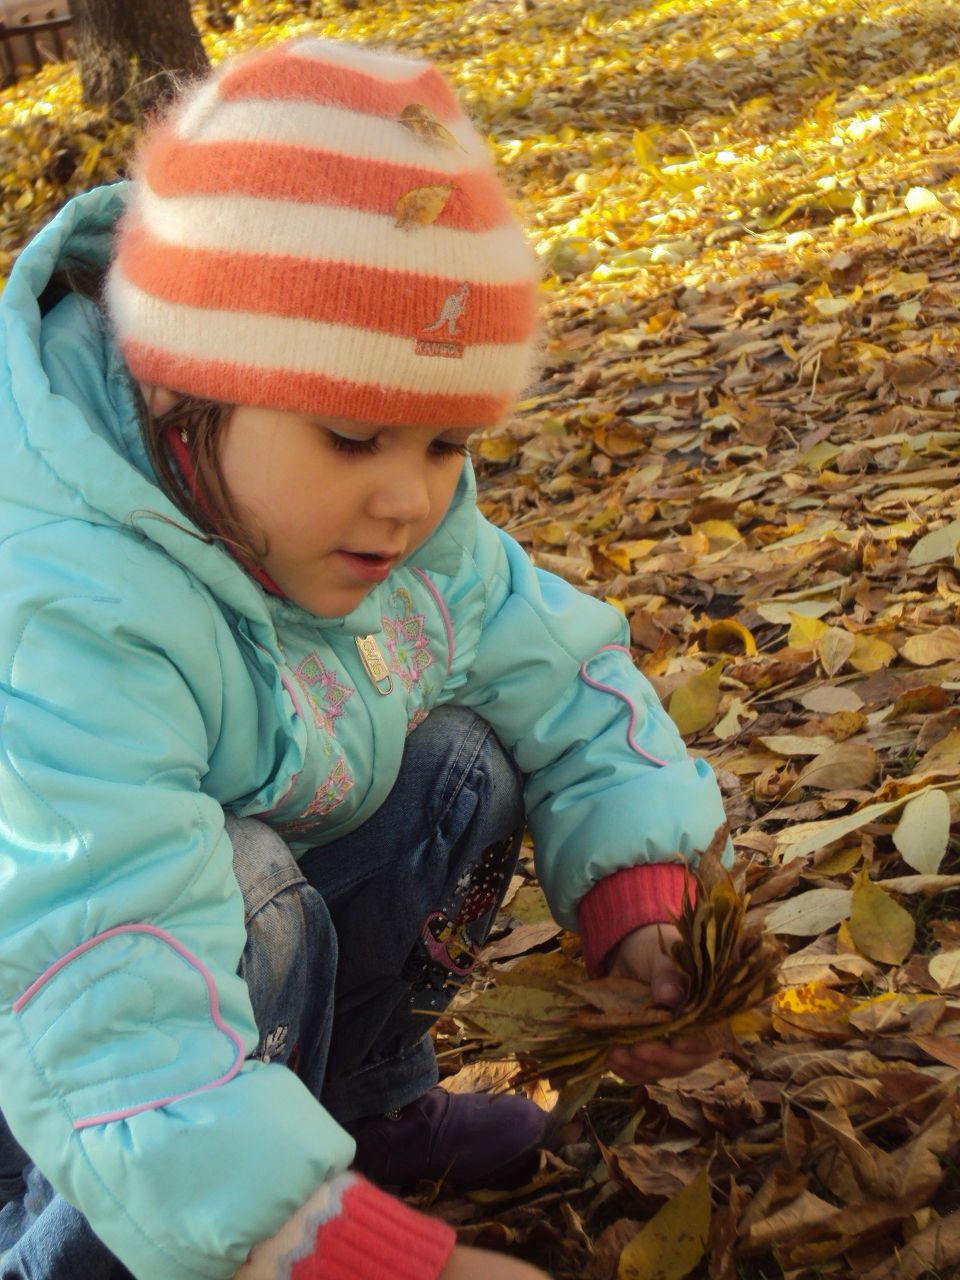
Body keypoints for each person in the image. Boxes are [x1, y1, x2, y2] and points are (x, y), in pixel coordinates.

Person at [0, 37, 729, 1280]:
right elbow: (104, 984)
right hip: (70, 1042)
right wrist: (331, 1255)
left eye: (447, 441)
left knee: (461, 762)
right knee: (247, 884)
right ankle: (112, 1250)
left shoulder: (402, 529)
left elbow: (564, 672)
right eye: (354, 434)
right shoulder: (64, 597)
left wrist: (641, 902)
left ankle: (355, 1111)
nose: (408, 498)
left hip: (196, 981)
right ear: (189, 381)